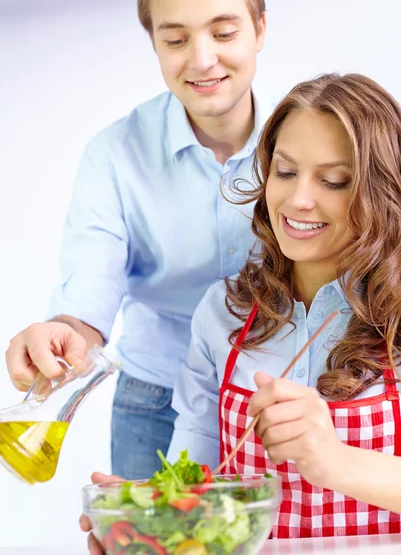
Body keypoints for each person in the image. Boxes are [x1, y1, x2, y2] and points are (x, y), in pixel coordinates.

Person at [82, 72, 401, 550]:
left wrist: (335, 461)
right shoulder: (224, 312)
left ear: (383, 191)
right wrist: (149, 523)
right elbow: (197, 482)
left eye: (334, 180)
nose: (298, 200)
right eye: (285, 172)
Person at [4, 0, 271, 480]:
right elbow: (89, 288)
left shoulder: (307, 144)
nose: (202, 59)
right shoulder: (114, 154)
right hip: (156, 400)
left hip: (275, 399)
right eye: (175, 40)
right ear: (155, 46)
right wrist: (61, 333)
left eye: (223, 32)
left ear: (259, 29)